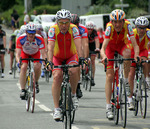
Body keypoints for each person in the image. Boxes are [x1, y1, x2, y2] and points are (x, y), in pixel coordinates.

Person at [101, 9, 139, 120]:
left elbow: (135, 45)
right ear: (112, 22)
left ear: (123, 21)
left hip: (122, 45)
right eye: (115, 22)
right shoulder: (109, 28)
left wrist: (136, 56)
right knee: (109, 76)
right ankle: (108, 107)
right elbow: (103, 48)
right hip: (110, 48)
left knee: (128, 53)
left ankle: (126, 80)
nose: (117, 24)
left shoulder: (128, 26)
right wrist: (104, 57)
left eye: (120, 21)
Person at [47, 9, 84, 120]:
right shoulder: (53, 30)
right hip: (57, 57)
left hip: (71, 56)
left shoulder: (74, 29)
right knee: (57, 76)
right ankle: (57, 108)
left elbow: (79, 45)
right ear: (57, 22)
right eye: (61, 22)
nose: (64, 25)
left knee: (74, 70)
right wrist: (49, 61)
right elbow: (50, 47)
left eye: (66, 22)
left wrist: (82, 58)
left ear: (70, 22)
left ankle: (73, 94)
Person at [16, 22, 47, 99]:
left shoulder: (39, 39)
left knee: (37, 66)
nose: (31, 35)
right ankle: (23, 90)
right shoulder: (21, 39)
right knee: (23, 67)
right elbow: (17, 54)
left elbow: (43, 53)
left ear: (35, 33)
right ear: (26, 32)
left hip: (35, 53)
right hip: (25, 53)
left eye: (33, 33)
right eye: (29, 33)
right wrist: (18, 62)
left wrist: (45, 63)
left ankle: (35, 82)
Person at [128, 16, 150, 110]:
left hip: (143, 50)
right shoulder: (132, 33)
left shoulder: (148, 33)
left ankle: (146, 80)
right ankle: (130, 97)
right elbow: (128, 46)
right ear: (136, 27)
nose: (142, 30)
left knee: (145, 62)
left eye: (144, 27)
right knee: (131, 73)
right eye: (140, 27)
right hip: (133, 51)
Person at [71, 14, 89, 98]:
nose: (74, 26)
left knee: (77, 65)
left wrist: (85, 58)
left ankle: (77, 85)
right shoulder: (67, 27)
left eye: (76, 24)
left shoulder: (82, 29)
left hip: (78, 45)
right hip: (68, 46)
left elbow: (85, 44)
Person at [86, 21, 100, 86]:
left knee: (93, 61)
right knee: (86, 59)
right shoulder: (84, 31)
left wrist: (97, 48)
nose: (90, 31)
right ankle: (85, 71)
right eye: (88, 29)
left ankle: (92, 78)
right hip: (86, 44)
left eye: (91, 29)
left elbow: (97, 40)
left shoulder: (94, 32)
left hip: (92, 46)